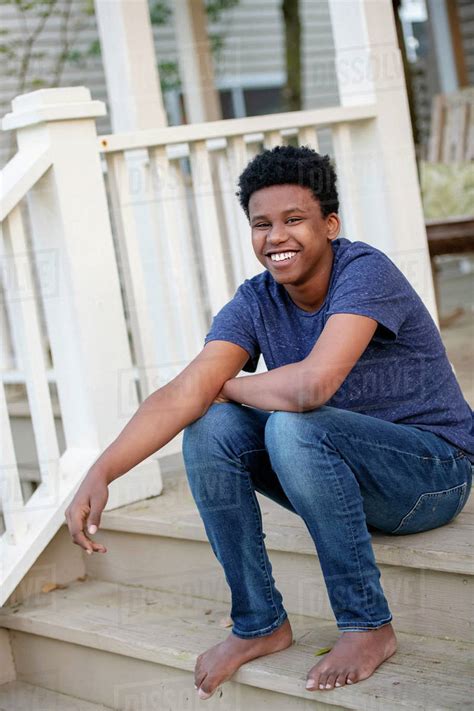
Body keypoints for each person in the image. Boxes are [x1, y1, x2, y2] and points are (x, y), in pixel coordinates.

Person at [66, 145, 473, 701]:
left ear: (330, 225)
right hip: (343, 478)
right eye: (262, 224)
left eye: (294, 220)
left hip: (432, 475)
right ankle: (259, 623)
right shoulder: (255, 301)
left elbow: (310, 387)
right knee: (210, 429)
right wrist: (101, 472)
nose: (276, 236)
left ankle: (367, 624)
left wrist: (220, 386)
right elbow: (181, 395)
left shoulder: (365, 271)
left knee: (291, 422)